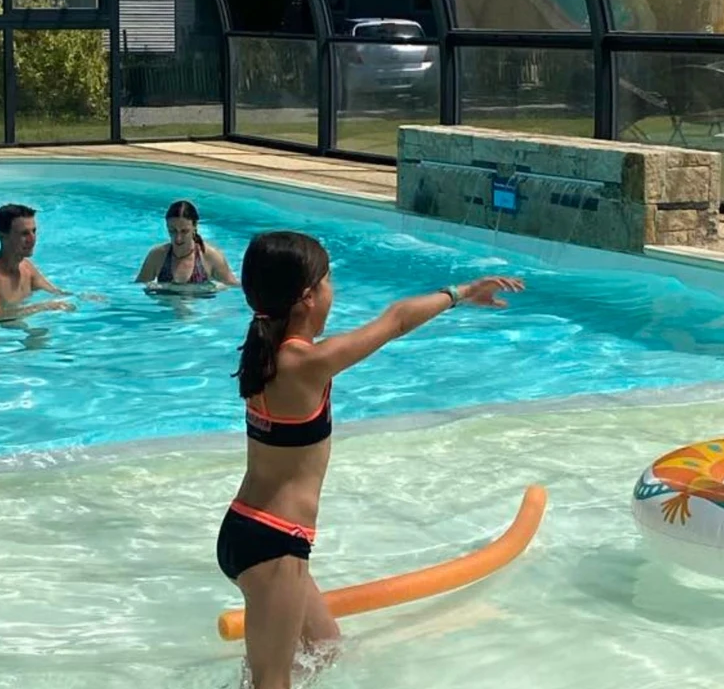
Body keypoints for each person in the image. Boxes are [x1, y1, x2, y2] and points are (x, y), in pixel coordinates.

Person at [215, 231, 522, 689]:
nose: (332, 292)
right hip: (276, 542)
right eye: (328, 282)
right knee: (272, 682)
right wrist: (460, 293)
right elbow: (395, 321)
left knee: (323, 649)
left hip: (252, 530)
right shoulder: (304, 364)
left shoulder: (265, 354)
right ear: (307, 298)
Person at [0, 204, 73, 322]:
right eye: (24, 233)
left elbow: (56, 293)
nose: (32, 239)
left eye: (34, 231)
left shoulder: (26, 267)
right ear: (2, 235)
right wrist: (42, 307)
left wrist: (83, 297)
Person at [133, 200, 238, 288]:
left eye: (184, 231)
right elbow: (137, 288)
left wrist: (215, 289)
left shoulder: (211, 256)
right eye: (172, 231)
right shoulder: (157, 256)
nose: (178, 238)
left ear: (195, 226)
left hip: (200, 311)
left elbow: (235, 288)